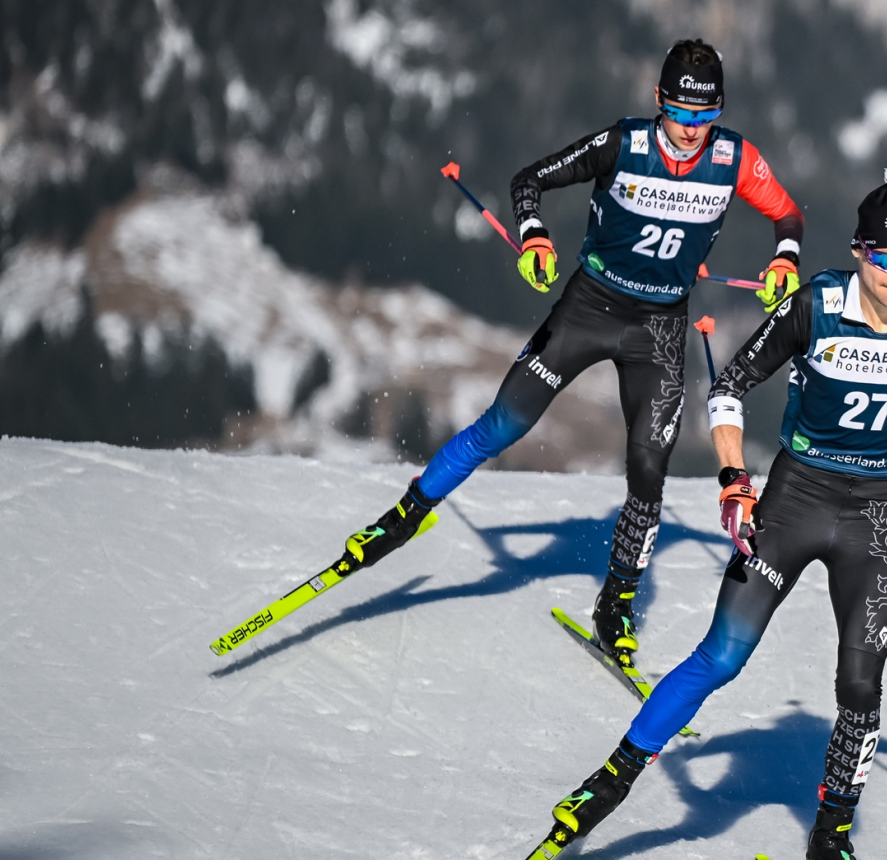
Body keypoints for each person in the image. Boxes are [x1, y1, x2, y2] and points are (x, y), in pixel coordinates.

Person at [520, 168, 887, 860]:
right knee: (721, 655)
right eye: (886, 261)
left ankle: (832, 834)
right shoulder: (817, 305)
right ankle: (607, 783)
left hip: (879, 518)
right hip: (794, 502)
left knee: (860, 684)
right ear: (859, 252)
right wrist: (733, 479)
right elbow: (728, 389)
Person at [336, 38, 806, 668]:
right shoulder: (625, 143)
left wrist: (785, 257)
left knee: (649, 468)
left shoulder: (736, 157)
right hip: (589, 310)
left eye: (706, 116)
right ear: (660, 102)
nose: (693, 130)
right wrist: (533, 238)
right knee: (503, 424)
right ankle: (402, 518)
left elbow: (788, 214)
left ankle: (615, 607)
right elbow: (528, 180)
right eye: (681, 114)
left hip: (660, 329)